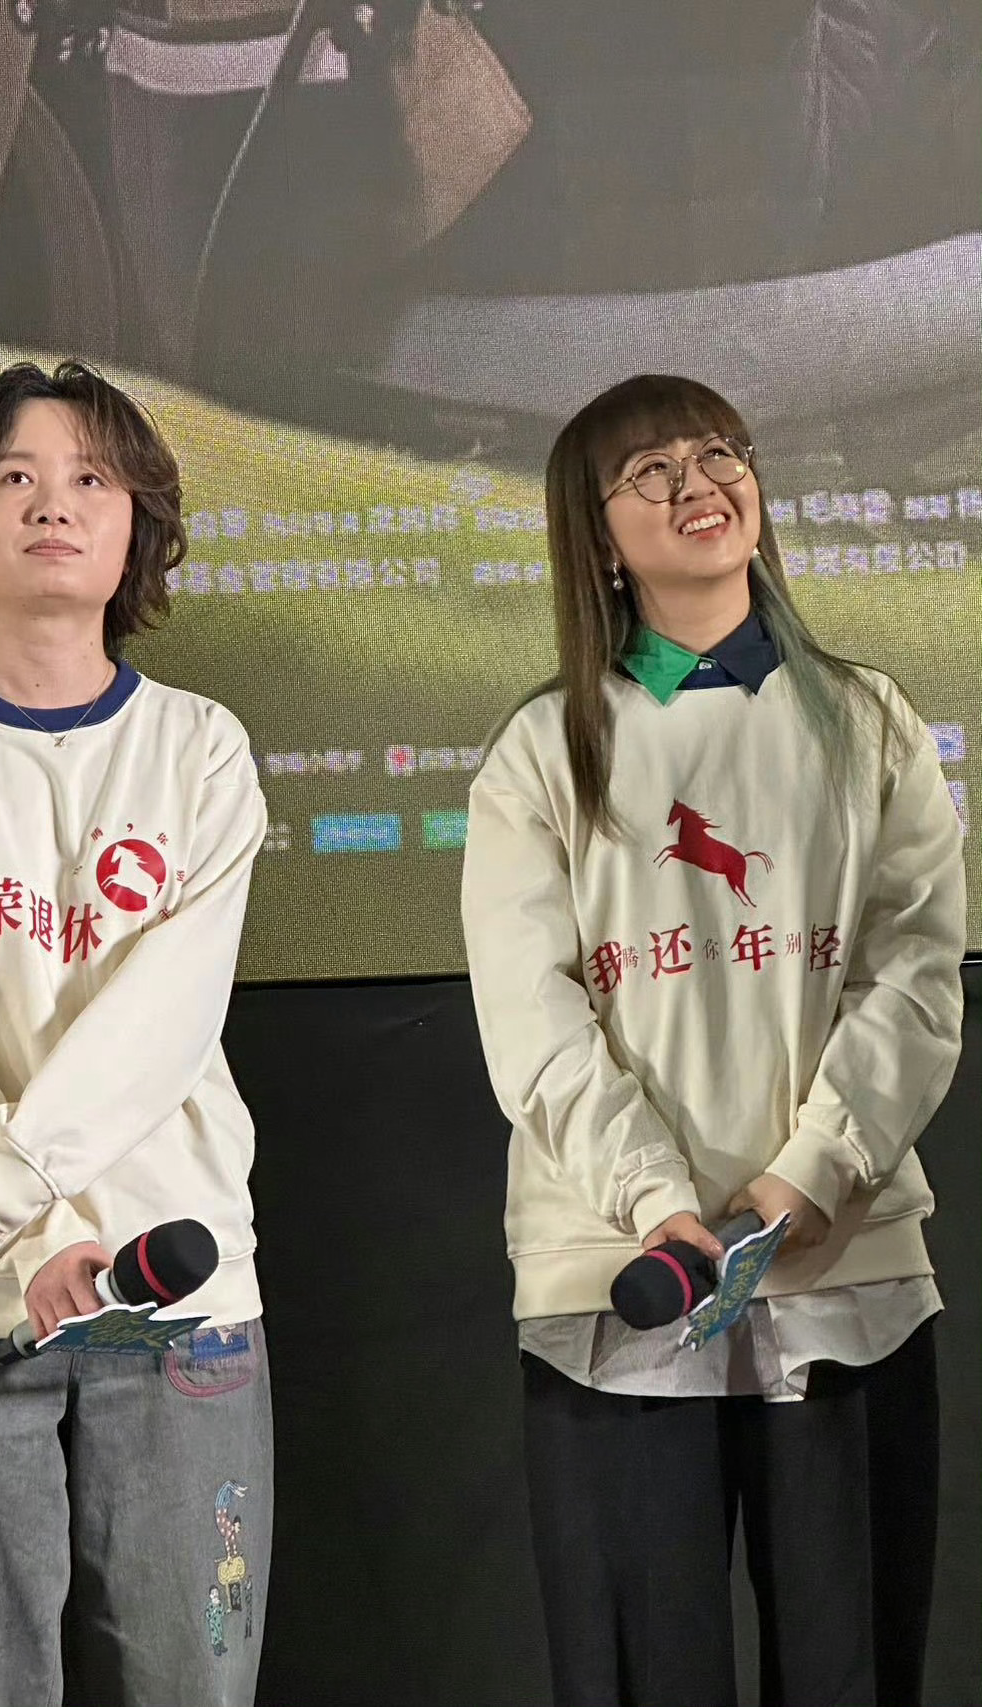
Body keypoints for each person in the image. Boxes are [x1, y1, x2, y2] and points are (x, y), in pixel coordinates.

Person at [461, 373, 966, 1707]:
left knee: (852, 1668)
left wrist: (813, 1172)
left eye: (720, 453)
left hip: (842, 1270)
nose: (700, 486)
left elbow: (917, 976)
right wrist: (656, 1204)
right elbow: (533, 1018)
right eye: (651, 472)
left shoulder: (866, 721)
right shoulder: (543, 750)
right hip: (620, 1281)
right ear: (596, 537)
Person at [0, 359, 271, 1707]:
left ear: (139, 530)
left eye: (91, 479)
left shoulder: (201, 749)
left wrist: (32, 1198)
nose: (51, 504)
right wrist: (26, 1240)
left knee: (196, 1681)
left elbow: (168, 1016)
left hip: (176, 1287)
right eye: (13, 477)